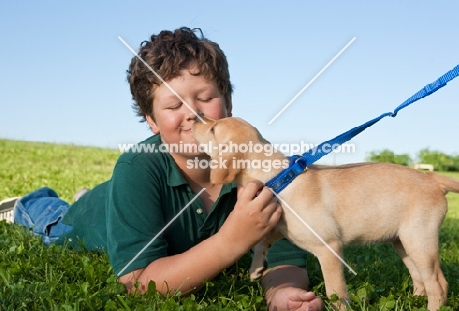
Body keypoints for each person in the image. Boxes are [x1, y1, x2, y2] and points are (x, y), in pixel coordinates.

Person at [0, 27, 323, 311]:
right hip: (82, 222)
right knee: (53, 221)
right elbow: (139, 283)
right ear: (151, 121)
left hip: (132, 202)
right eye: (172, 106)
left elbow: (283, 254)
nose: (193, 114)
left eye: (206, 97)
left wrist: (283, 291)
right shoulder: (137, 167)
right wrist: (232, 240)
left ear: (228, 104)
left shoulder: (260, 167)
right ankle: (29, 204)